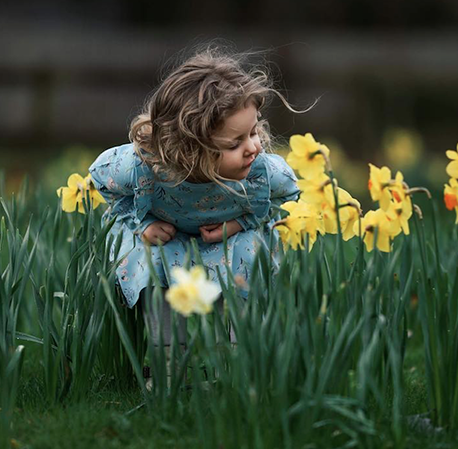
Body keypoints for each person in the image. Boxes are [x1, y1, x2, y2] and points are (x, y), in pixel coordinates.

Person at [88, 45, 302, 340]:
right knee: (147, 259)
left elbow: (290, 200)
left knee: (250, 251)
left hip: (229, 244)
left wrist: (239, 224)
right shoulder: (143, 166)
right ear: (189, 149)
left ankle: (233, 351)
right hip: (167, 240)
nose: (253, 147)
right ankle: (166, 358)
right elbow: (100, 181)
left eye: (253, 132)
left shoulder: (263, 172)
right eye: (234, 143)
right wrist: (143, 224)